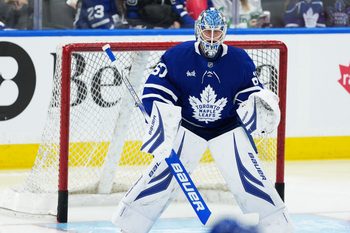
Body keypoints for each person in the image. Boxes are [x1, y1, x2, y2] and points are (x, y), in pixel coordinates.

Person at [112, 8, 293, 233]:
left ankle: (276, 227)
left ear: (224, 33)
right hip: (188, 127)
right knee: (161, 177)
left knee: (252, 179)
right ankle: (129, 225)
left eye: (217, 33)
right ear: (198, 30)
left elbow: (251, 93)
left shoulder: (239, 60)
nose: (211, 37)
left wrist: (260, 105)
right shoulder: (177, 56)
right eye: (207, 31)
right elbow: (156, 89)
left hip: (227, 128)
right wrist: (157, 116)